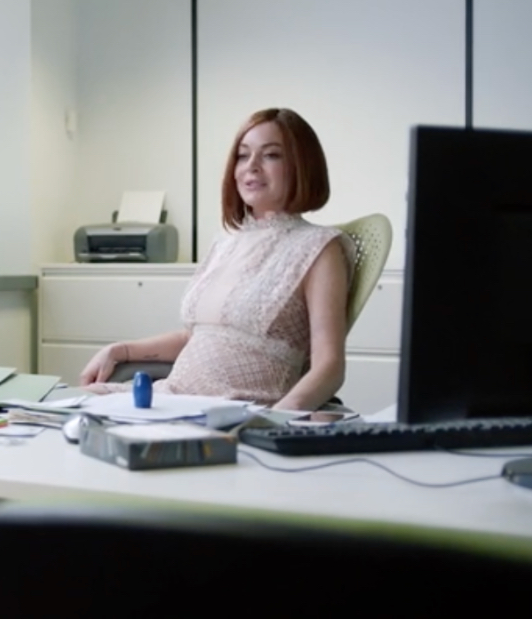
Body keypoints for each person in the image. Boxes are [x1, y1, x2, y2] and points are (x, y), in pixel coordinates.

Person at [80, 108, 357, 411]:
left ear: (302, 166)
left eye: (271, 155)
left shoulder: (319, 247)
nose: (251, 167)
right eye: (243, 155)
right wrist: (120, 350)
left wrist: (273, 423)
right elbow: (198, 337)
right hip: (172, 401)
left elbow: (329, 367)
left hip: (235, 416)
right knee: (66, 409)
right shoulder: (226, 241)